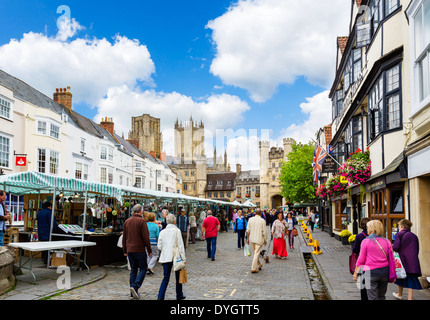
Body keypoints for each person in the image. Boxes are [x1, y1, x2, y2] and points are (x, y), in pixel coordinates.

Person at [353, 220, 396, 300]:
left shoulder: (365, 241)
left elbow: (361, 259)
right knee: (381, 296)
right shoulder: (387, 242)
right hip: (384, 272)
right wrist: (394, 272)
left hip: (370, 273)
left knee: (372, 297)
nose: (367, 229)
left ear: (372, 229)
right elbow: (392, 259)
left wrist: (356, 273)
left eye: (368, 227)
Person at [122, 204, 152, 300]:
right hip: (139, 249)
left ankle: (132, 293)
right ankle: (135, 287)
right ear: (140, 211)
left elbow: (124, 237)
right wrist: (149, 249)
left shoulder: (127, 221)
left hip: (130, 249)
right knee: (143, 268)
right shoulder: (142, 221)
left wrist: (124, 249)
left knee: (133, 270)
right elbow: (145, 237)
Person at [157, 213, 186, 300]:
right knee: (178, 277)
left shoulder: (162, 232)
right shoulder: (177, 231)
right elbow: (181, 246)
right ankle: (179, 294)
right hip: (176, 256)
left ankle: (160, 296)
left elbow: (159, 246)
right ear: (174, 221)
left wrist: (165, 249)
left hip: (166, 256)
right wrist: (183, 258)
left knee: (166, 277)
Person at [392, 219, 422, 300]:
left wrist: (392, 246)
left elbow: (396, 247)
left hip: (402, 260)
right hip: (413, 260)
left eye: (398, 226)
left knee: (400, 276)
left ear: (402, 226)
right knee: (410, 279)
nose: (398, 228)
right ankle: (410, 298)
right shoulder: (414, 236)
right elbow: (417, 249)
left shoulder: (399, 234)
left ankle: (399, 294)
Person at [351, 218, 370, 300]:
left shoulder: (359, 236)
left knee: (365, 283)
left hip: (364, 262)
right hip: (375, 263)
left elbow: (355, 250)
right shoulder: (375, 236)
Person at [246, 208, 267, 273]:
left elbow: (247, 230)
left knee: (256, 253)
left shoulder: (250, 219)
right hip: (259, 239)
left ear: (255, 213)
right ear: (260, 213)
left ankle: (259, 264)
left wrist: (247, 239)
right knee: (256, 253)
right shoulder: (262, 220)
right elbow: (264, 232)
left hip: (252, 239)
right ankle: (253, 268)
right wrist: (265, 239)